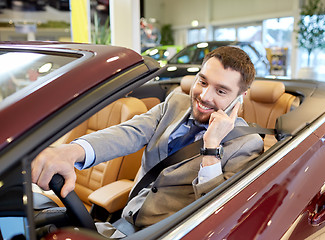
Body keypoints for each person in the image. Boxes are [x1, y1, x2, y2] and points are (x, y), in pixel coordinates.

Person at [32, 46, 264, 237]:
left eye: (221, 91)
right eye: (202, 82)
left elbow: (215, 212)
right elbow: (128, 133)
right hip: (125, 221)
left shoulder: (247, 144)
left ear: (239, 99)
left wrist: (211, 147)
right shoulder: (174, 103)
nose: (204, 96)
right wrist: (71, 151)